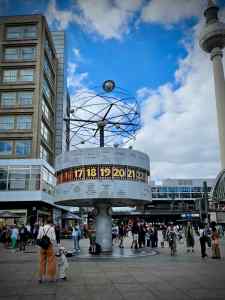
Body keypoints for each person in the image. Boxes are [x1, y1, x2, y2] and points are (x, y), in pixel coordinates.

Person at [37, 218, 56, 283]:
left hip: (42, 247)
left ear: (45, 222)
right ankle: (51, 278)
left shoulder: (41, 228)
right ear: (51, 223)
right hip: (49, 246)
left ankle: (40, 278)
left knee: (42, 262)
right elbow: (53, 238)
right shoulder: (52, 228)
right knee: (51, 261)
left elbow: (38, 238)